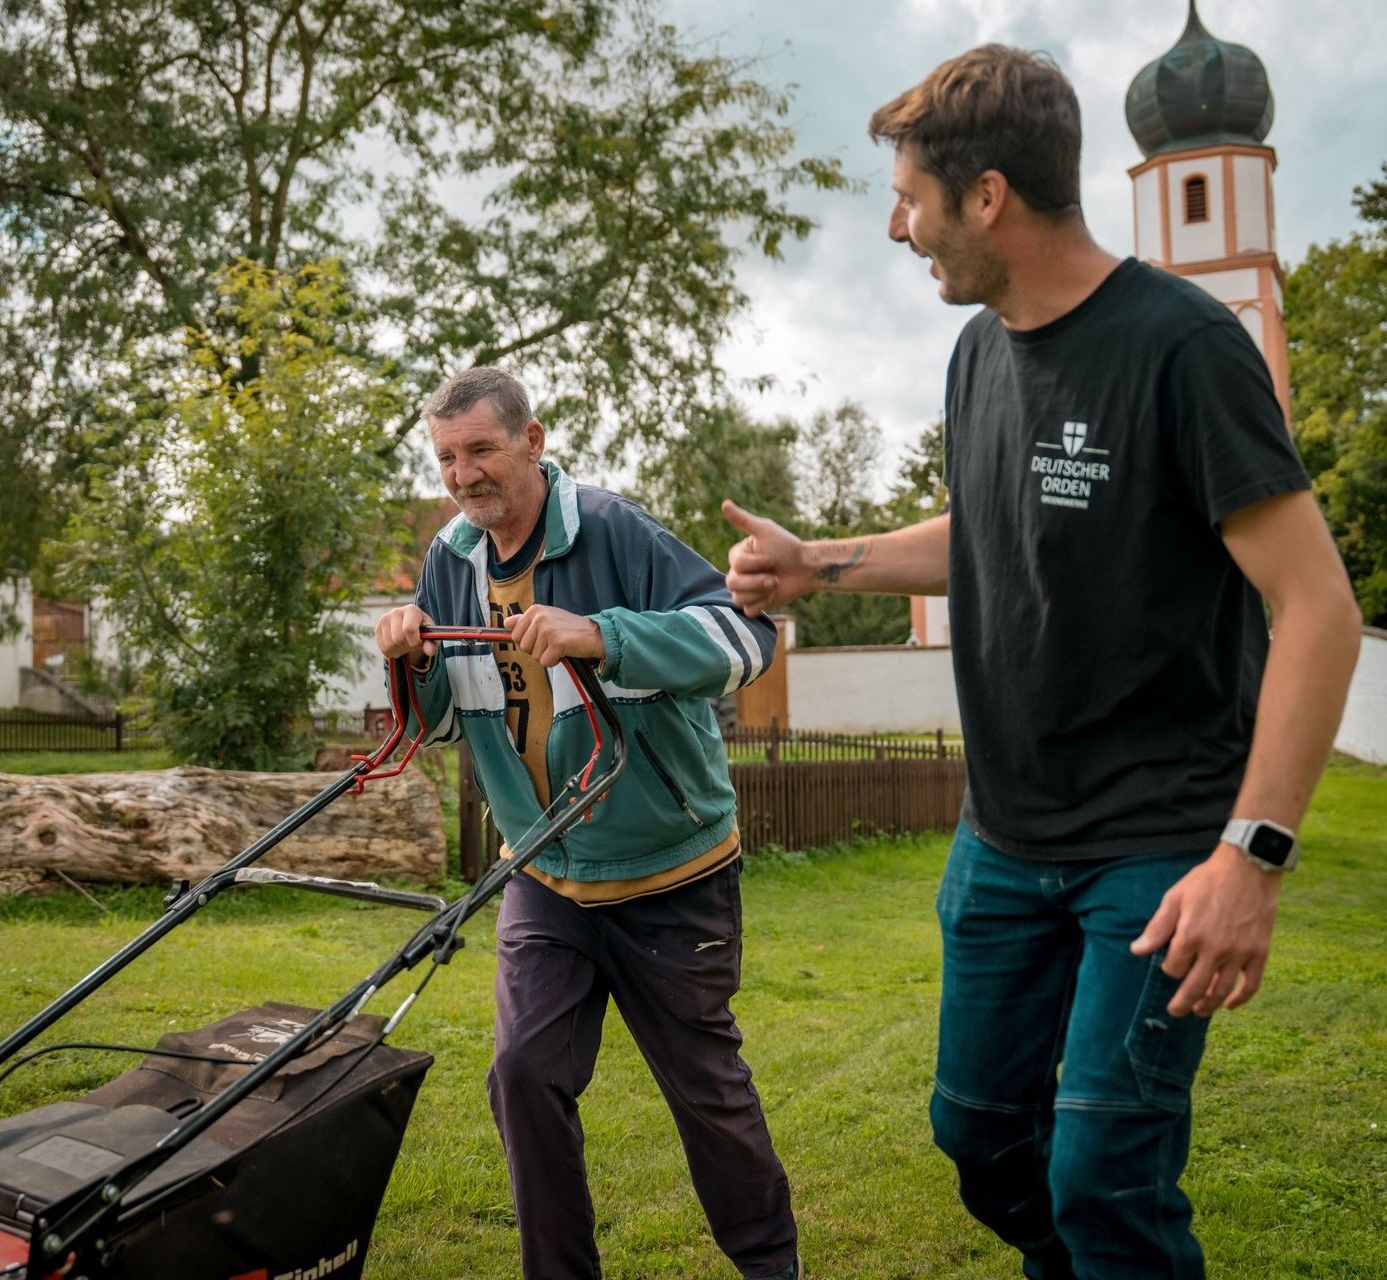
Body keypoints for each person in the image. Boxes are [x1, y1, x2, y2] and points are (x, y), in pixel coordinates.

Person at [722, 45, 1360, 1280]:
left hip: (1159, 845)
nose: (898, 227)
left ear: (988, 196)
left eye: (909, 197)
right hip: (1005, 841)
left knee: (1103, 1174)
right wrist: (822, 564)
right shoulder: (979, 353)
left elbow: (1317, 608)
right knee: (977, 1133)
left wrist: (1253, 855)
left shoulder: (1183, 346)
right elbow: (996, 528)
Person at [376, 367, 801, 1280]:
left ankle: (772, 1269)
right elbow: (442, 721)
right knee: (524, 1076)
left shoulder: (614, 529)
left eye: (481, 450)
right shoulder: (451, 560)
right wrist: (411, 659)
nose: (463, 475)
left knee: (705, 1097)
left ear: (532, 441)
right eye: (447, 457)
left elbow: (745, 640)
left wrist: (602, 634)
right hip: (545, 872)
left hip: (670, 873)